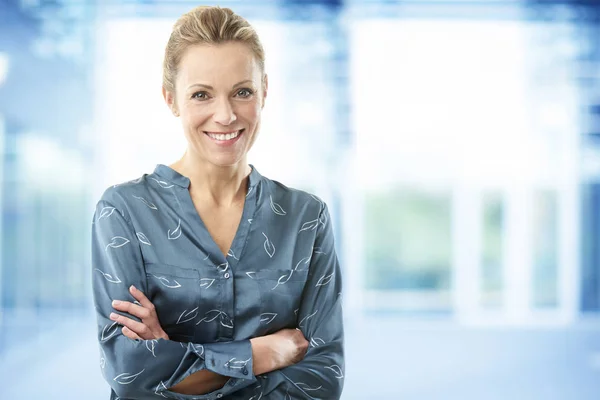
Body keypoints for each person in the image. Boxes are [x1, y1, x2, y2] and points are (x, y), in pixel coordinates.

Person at [91, 5, 344, 399]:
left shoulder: (306, 218)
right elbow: (130, 372)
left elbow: (323, 380)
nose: (225, 115)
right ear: (171, 100)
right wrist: (261, 354)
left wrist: (176, 363)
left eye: (242, 92)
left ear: (265, 92)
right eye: (201, 95)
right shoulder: (124, 211)